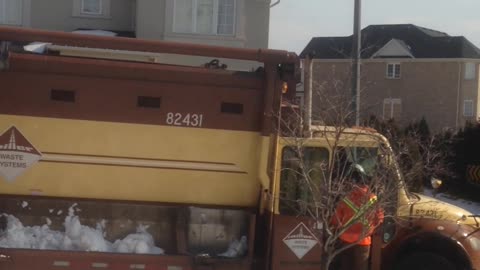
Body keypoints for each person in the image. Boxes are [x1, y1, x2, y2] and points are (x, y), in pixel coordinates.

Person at [331, 164, 384, 270]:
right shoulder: (373, 199)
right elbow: (379, 219)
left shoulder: (346, 198)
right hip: (363, 242)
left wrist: (340, 230)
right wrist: (370, 230)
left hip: (345, 241)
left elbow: (335, 220)